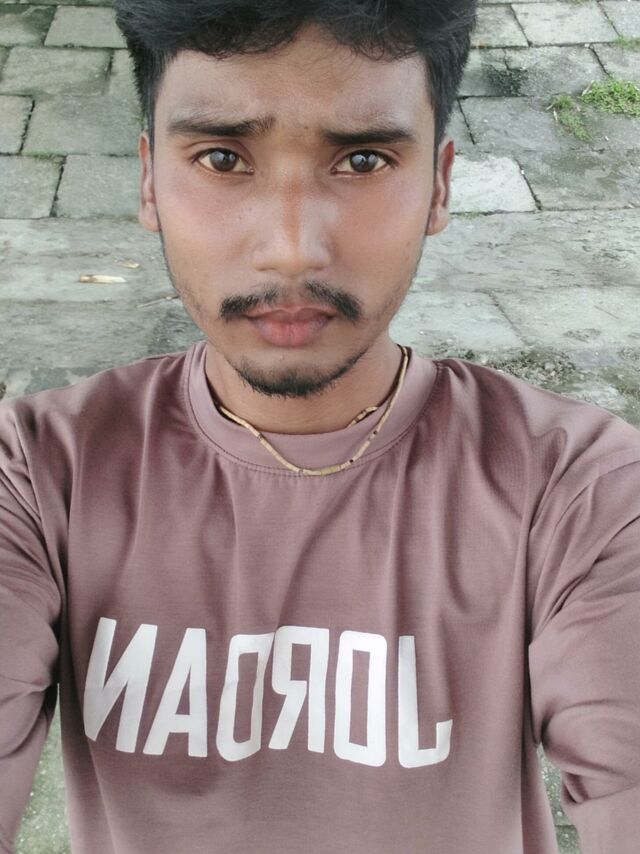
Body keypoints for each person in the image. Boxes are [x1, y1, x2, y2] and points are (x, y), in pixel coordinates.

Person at [1, 0, 639, 851]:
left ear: (439, 184)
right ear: (150, 179)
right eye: (223, 158)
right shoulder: (38, 475)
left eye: (363, 159)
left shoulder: (582, 492)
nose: (293, 249)